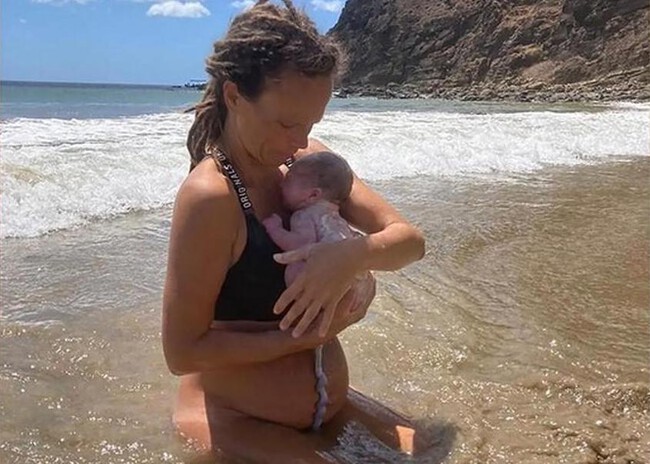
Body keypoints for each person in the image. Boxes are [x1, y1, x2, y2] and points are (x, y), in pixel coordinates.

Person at [161, 1, 426, 462]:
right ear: (234, 96)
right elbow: (182, 353)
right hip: (234, 418)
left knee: (433, 447)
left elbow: (410, 242)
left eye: (311, 123)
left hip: (327, 406)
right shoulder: (212, 198)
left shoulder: (307, 166)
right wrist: (302, 340)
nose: (300, 140)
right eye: (286, 123)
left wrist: (353, 256)